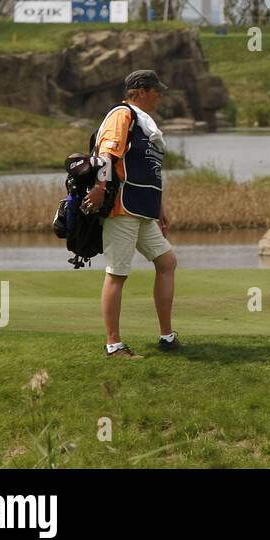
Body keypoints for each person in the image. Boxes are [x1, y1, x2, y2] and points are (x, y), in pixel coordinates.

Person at [82, 70, 178, 358]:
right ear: (140, 90)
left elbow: (148, 171)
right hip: (122, 208)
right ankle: (114, 345)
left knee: (167, 262)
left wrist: (159, 208)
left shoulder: (144, 123)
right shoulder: (122, 115)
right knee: (117, 274)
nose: (159, 95)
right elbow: (105, 155)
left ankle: (167, 337)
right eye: (155, 90)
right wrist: (100, 186)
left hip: (143, 208)